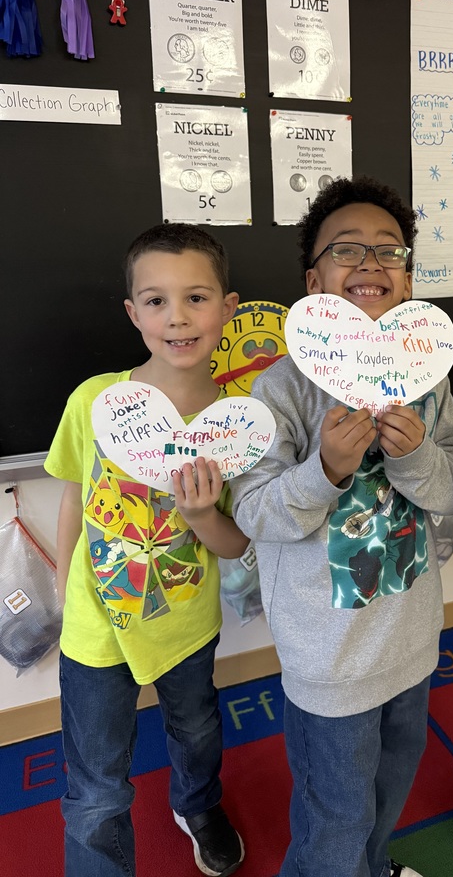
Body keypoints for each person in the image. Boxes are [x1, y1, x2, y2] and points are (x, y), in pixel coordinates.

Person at [231, 176, 453, 877]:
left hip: (411, 641)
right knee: (336, 817)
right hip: (330, 660)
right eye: (347, 250)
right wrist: (327, 469)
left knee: (387, 794)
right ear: (314, 280)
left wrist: (416, 456)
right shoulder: (280, 388)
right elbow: (255, 511)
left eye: (389, 250)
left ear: (407, 278)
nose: (371, 262)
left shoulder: (429, 379)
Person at [45, 223, 248, 877]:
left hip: (185, 620)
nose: (178, 317)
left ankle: (198, 804)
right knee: (97, 785)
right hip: (96, 625)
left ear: (228, 308)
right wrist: (63, 588)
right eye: (156, 301)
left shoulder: (240, 423)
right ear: (134, 313)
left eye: (196, 298)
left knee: (196, 730)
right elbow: (75, 498)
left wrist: (196, 514)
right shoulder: (94, 401)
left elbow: (236, 539)